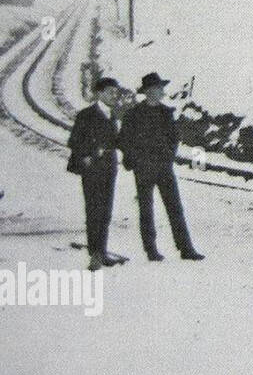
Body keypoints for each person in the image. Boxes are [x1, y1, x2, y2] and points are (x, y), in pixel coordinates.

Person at [119, 72, 204, 262]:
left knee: (175, 208)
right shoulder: (133, 115)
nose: (161, 92)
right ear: (148, 92)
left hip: (164, 168)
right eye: (157, 89)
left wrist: (168, 158)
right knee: (146, 210)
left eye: (161, 89)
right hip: (143, 169)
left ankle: (186, 249)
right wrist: (135, 161)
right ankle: (151, 250)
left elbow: (174, 139)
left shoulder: (167, 113)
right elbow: (124, 140)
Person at [67, 77, 126, 271]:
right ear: (99, 93)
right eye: (110, 92)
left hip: (109, 168)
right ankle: (95, 255)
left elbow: (117, 141)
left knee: (106, 212)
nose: (114, 95)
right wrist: (90, 154)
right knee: (94, 212)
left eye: (116, 92)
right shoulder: (86, 114)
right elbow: (74, 141)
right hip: (92, 169)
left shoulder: (114, 114)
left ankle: (101, 251)